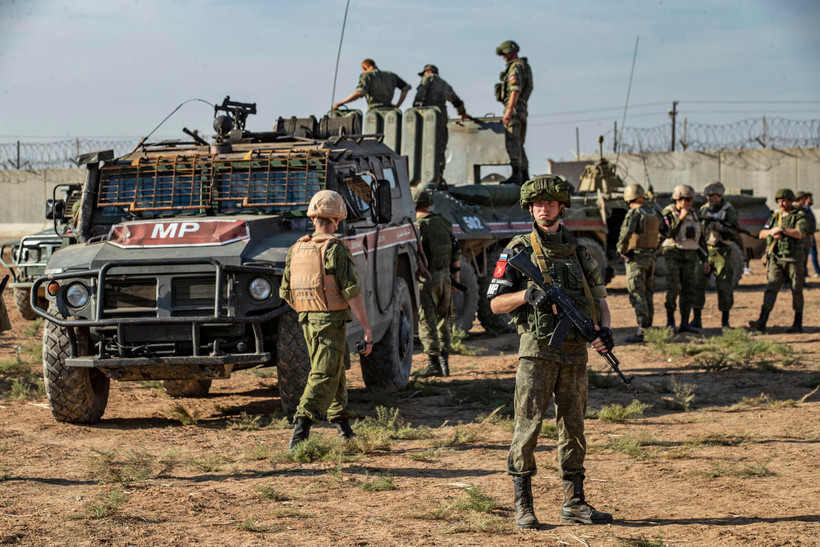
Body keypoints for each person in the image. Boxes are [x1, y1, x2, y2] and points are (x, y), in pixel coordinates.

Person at [487, 175, 614, 529]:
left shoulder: (579, 251)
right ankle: (523, 505)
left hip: (575, 354)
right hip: (536, 352)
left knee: (573, 427)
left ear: (562, 207)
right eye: (538, 204)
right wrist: (526, 296)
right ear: (530, 208)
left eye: (551, 203)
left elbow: (600, 300)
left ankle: (574, 502)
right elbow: (496, 304)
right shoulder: (516, 250)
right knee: (527, 426)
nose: (545, 209)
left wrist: (604, 331)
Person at [280, 190, 374, 449]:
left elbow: (285, 292)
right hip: (330, 320)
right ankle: (300, 430)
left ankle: (344, 427)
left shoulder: (296, 248)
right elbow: (352, 294)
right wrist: (367, 330)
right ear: (337, 219)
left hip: (308, 320)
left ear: (312, 219)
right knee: (324, 373)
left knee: (335, 372)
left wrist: (308, 310)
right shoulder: (337, 250)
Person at [414, 187, 461, 377]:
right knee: (444, 321)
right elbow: (456, 250)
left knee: (427, 321)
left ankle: (433, 364)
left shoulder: (417, 226)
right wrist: (455, 278)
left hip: (427, 281)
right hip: (445, 279)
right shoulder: (443, 222)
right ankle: (445, 364)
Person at [749, 188, 809, 333]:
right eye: (779, 201)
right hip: (776, 258)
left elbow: (800, 233)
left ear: (791, 201)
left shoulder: (799, 216)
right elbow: (762, 234)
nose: (781, 204)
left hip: (793, 259)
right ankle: (762, 321)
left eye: (784, 201)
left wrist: (782, 230)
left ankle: (797, 322)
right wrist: (772, 231)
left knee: (796, 289)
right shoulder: (775, 216)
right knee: (771, 287)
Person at [616, 184, 665, 343]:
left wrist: (622, 250)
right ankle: (648, 328)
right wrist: (655, 247)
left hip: (636, 260)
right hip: (651, 258)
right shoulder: (654, 212)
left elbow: (625, 235)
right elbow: (667, 232)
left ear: (628, 198)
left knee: (638, 294)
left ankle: (642, 331)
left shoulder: (634, 213)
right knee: (648, 294)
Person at [661, 184, 710, 334]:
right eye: (685, 199)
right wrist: (680, 219)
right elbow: (668, 233)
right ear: (678, 199)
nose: (688, 203)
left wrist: (705, 259)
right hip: (673, 254)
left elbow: (700, 239)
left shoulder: (694, 214)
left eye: (690, 200)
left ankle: (684, 323)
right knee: (673, 288)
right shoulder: (668, 213)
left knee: (689, 289)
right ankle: (670, 322)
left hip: (691, 255)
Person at [692, 181, 740, 329]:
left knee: (724, 286)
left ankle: (725, 321)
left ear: (720, 196)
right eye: (708, 195)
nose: (709, 199)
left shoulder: (728, 210)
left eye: (713, 196)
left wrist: (722, 228)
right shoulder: (704, 210)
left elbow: (736, 232)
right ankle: (697, 319)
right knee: (697, 284)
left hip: (721, 252)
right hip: (706, 251)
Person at [413, 64, 471, 183]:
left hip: (428, 116)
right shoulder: (443, 83)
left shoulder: (428, 78)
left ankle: (425, 176)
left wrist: (415, 108)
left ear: (428, 72)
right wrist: (462, 112)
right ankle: (438, 176)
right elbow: (454, 99)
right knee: (440, 147)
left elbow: (420, 92)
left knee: (424, 146)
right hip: (441, 115)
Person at [495, 40, 533, 186]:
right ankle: (524, 176)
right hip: (522, 109)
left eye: (505, 54)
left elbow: (515, 89)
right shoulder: (524, 66)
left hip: (515, 109)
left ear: (511, 52)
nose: (503, 57)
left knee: (512, 141)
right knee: (520, 144)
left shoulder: (515, 67)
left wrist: (509, 111)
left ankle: (517, 175)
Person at [332, 59, 411, 112]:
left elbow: (359, 93)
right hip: (390, 112)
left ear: (364, 68)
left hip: (374, 113)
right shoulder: (391, 75)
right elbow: (405, 88)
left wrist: (340, 103)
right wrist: (397, 105)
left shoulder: (367, 76)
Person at [795, 191, 819, 278]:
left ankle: (803, 278)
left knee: (805, 259)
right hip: (800, 238)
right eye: (804, 198)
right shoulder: (796, 210)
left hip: (806, 237)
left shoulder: (805, 210)